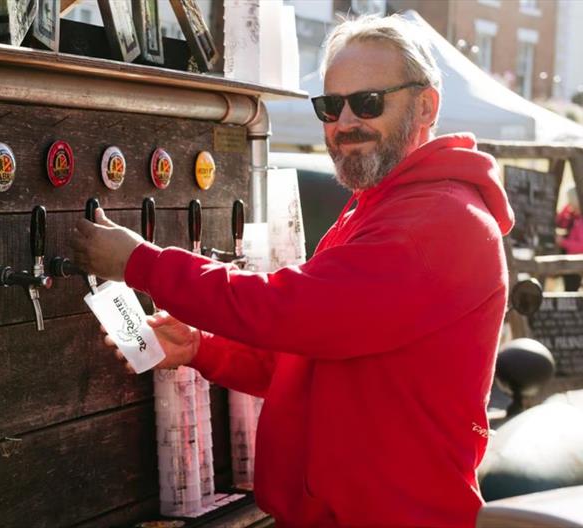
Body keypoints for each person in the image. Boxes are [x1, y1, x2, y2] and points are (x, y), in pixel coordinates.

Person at [70, 14, 514, 528]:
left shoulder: (439, 218)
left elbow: (293, 312)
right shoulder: (380, 208)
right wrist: (202, 349)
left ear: (426, 106)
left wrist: (140, 262)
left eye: (368, 103)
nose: (345, 122)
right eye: (331, 106)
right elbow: (312, 354)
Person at [556, 186, 583, 292]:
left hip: (577, 264)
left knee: (571, 291)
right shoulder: (573, 216)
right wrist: (568, 206)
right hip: (568, 262)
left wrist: (563, 242)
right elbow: (559, 220)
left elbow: (581, 246)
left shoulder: (581, 221)